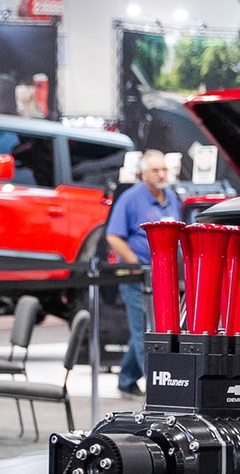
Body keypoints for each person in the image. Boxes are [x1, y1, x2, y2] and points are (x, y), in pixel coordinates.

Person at [105, 149, 181, 398]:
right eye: (155, 170)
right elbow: (113, 236)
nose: (161, 174)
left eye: (164, 169)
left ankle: (126, 379)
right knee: (145, 332)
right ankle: (158, 387)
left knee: (152, 328)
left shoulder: (171, 197)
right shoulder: (130, 198)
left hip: (163, 278)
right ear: (144, 174)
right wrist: (136, 264)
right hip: (136, 278)